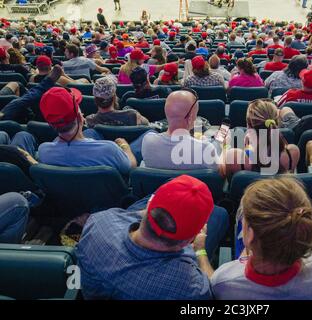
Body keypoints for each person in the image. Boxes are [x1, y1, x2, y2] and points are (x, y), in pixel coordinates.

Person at [77, 175, 224, 299]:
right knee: (220, 213)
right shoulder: (190, 287)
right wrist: (200, 250)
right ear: (188, 241)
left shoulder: (98, 222)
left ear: (148, 207)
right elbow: (216, 291)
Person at [206, 177, 312, 299]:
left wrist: (200, 251)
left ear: (250, 236)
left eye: (245, 221)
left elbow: (213, 284)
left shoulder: (225, 283)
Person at [37, 86, 137, 175]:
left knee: (91, 132)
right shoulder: (109, 149)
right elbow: (131, 167)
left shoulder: (43, 152)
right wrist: (125, 147)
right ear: (80, 117)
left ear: (50, 124)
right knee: (150, 134)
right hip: (108, 194)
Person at [141, 90, 220, 170]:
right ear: (190, 118)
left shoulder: (147, 141)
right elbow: (220, 173)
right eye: (196, 115)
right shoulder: (206, 149)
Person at [223, 99, 300, 177]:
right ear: (276, 123)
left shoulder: (234, 156)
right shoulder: (293, 152)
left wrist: (225, 146)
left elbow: (228, 180)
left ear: (249, 126)